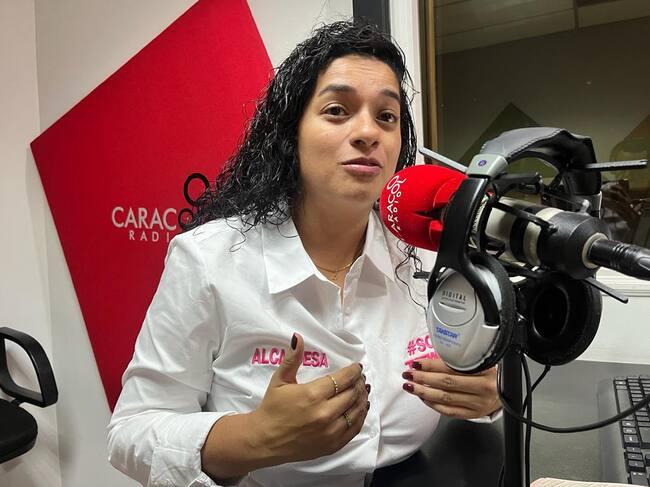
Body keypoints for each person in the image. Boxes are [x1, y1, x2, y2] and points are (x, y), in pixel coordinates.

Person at [107, 20, 501, 487]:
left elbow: (481, 385)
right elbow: (131, 432)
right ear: (291, 133)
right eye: (337, 110)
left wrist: (491, 395)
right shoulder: (208, 260)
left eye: (386, 116)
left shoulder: (428, 256)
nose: (367, 132)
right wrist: (255, 438)